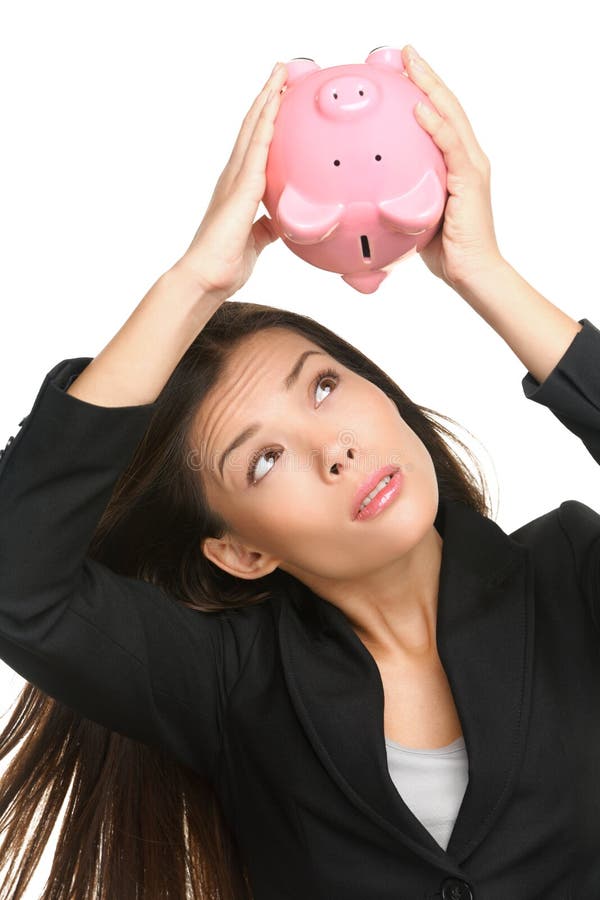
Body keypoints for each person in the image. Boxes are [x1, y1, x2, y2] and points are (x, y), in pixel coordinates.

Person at [0, 45, 598, 900]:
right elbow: (16, 580)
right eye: (266, 458)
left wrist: (483, 273)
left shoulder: (569, 576)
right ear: (242, 551)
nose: (337, 449)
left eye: (322, 385)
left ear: (383, 393)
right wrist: (196, 279)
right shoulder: (232, 688)